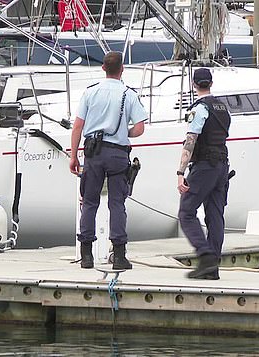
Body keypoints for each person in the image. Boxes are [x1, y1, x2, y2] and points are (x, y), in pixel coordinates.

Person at [69, 51, 147, 270]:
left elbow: (77, 127)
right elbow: (140, 128)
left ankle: (86, 256)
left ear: (103, 68)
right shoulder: (129, 94)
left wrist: (74, 156)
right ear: (122, 69)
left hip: (93, 153)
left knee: (90, 202)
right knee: (117, 204)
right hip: (118, 154)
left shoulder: (90, 93)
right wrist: (124, 132)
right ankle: (120, 255)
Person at [176, 68, 231, 280]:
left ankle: (205, 255)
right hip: (222, 166)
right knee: (215, 215)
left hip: (205, 165)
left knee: (186, 212)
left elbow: (191, 141)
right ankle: (213, 266)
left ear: (193, 84)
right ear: (211, 83)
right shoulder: (223, 108)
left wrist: (181, 171)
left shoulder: (199, 109)